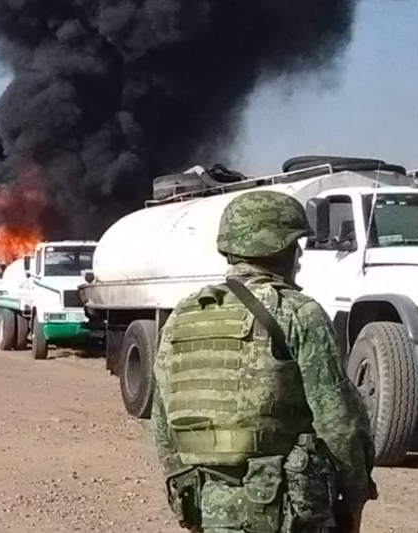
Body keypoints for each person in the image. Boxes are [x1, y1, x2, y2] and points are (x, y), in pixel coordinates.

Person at [151, 191, 376, 533]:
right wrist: (356, 493)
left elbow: (162, 419)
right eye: (295, 245)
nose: (299, 255)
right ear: (282, 248)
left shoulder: (183, 314)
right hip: (284, 510)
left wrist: (185, 497)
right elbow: (338, 420)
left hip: (210, 505)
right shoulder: (298, 313)